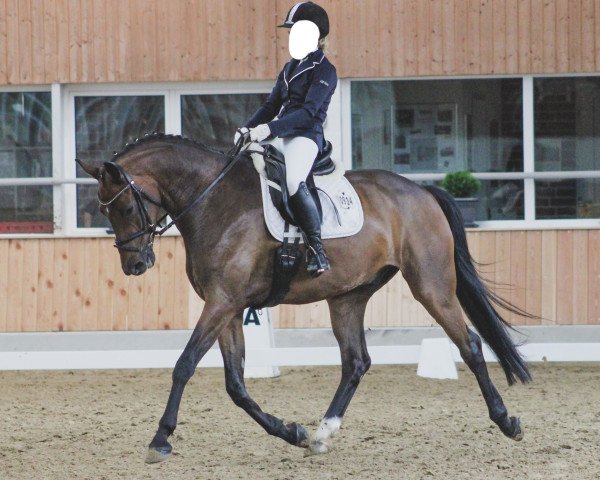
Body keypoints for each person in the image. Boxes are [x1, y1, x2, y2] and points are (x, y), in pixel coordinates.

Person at [235, 1, 337, 277]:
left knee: (293, 180)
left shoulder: (325, 70)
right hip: (281, 132)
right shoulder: (290, 67)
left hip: (306, 136)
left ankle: (317, 248)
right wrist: (247, 129)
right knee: (247, 162)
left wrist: (269, 130)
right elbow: (270, 106)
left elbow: (308, 113)